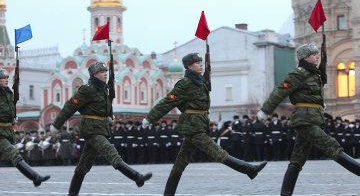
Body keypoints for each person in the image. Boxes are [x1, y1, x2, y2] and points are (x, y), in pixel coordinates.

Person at [142, 53, 267, 195]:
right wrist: (150, 118)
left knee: (180, 164)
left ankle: (168, 194)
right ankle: (248, 169)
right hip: (192, 126)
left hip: (199, 124)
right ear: (189, 66)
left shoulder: (200, 81)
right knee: (216, 151)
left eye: (201, 62)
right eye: (197, 63)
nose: (201, 64)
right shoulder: (185, 83)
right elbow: (168, 101)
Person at [256, 43, 360, 195]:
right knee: (331, 146)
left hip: (313, 118)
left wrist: (320, 103)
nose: (317, 56)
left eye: (317, 54)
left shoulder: (313, 74)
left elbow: (311, 94)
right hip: (304, 120)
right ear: (305, 57)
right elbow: (280, 91)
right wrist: (265, 111)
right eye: (313, 54)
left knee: (297, 160)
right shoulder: (298, 73)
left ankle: (285, 193)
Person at [50, 62, 151, 196]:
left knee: (83, 165)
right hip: (91, 130)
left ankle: (72, 193)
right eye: (102, 72)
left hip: (100, 128)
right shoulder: (87, 89)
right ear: (94, 74)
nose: (105, 74)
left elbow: (105, 106)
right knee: (111, 153)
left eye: (105, 71)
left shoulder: (103, 89)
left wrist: (108, 116)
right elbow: (70, 106)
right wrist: (56, 125)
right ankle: (137, 177)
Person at [0, 69, 50, 186]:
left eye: (8, 77)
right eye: (3, 78)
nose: (7, 80)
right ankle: (35, 177)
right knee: (14, 154)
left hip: (6, 131)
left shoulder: (8, 92)